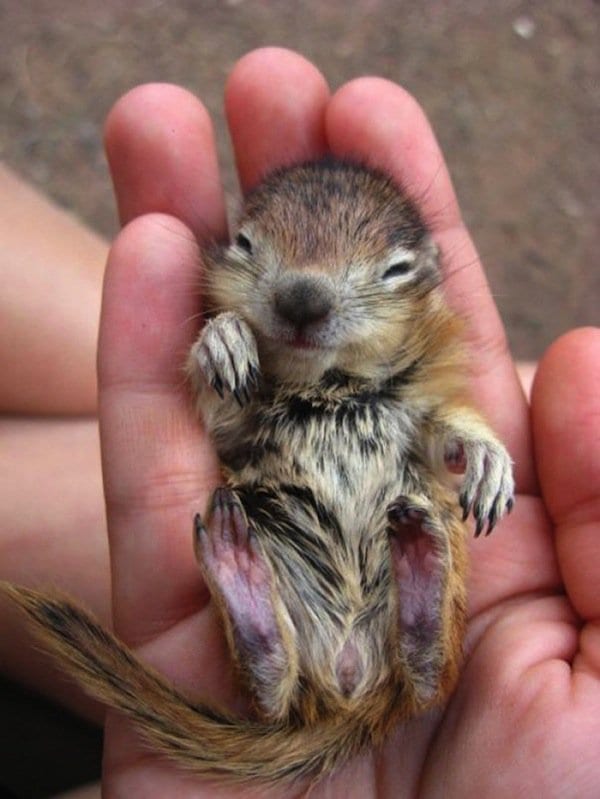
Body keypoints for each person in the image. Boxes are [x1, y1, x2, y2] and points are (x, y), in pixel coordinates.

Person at [1, 47, 598, 798]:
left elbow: (444, 421)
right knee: (164, 394)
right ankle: (276, 649)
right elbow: (224, 423)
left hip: (365, 574)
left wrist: (476, 446)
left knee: (429, 523)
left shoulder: (427, 353)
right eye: (255, 256)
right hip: (295, 527)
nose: (304, 305)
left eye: (381, 278)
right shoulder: (237, 339)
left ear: (425, 289)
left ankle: (326, 644)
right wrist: (217, 346)